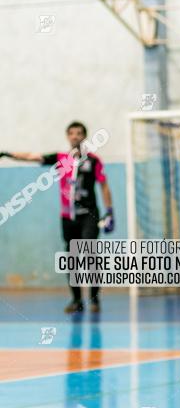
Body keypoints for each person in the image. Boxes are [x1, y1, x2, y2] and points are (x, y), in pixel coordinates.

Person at [1, 121, 114, 313]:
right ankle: (77, 300)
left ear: (84, 136)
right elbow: (32, 156)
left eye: (79, 133)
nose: (75, 136)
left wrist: (109, 211)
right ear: (67, 137)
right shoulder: (61, 158)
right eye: (72, 133)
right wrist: (8, 153)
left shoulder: (93, 160)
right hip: (68, 217)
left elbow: (103, 185)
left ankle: (94, 299)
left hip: (89, 216)